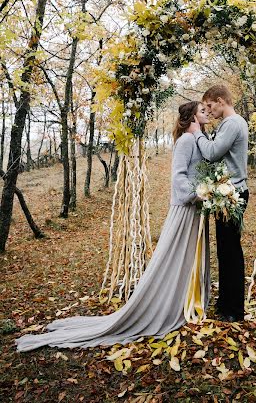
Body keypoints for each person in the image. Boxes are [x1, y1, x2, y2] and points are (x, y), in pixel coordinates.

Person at [16, 101, 210, 352]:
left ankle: (187, 298)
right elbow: (178, 177)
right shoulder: (185, 140)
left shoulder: (197, 138)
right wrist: (198, 193)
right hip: (186, 208)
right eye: (202, 111)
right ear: (193, 115)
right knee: (177, 257)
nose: (207, 113)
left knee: (188, 259)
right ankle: (169, 302)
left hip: (196, 209)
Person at [188, 85, 248, 322]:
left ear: (221, 101)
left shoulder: (233, 123)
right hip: (227, 194)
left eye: (211, 105)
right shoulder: (230, 124)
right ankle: (226, 304)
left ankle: (233, 310)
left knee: (231, 252)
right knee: (226, 250)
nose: (209, 111)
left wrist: (197, 133)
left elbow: (212, 153)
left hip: (232, 195)